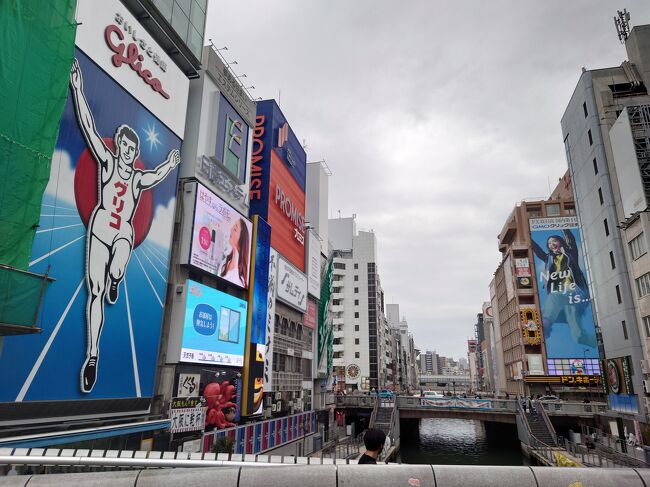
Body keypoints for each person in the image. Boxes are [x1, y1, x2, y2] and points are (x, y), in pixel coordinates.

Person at [70, 59, 180, 393]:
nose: (130, 152)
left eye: (134, 149)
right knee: (96, 293)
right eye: (126, 147)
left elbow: (156, 176)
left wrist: (170, 163)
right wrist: (78, 89)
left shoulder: (136, 177)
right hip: (100, 228)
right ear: (119, 147)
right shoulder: (106, 162)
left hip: (122, 233)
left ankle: (118, 276)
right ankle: (92, 355)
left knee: (122, 249)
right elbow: (88, 127)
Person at [531, 231, 593, 346]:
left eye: (554, 241)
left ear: (561, 242)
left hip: (576, 294)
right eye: (549, 243)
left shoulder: (571, 254)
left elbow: (571, 241)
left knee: (553, 297)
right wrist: (528, 238)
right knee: (578, 336)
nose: (552, 244)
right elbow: (538, 252)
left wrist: (565, 229)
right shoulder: (549, 259)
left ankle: (546, 323)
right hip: (566, 303)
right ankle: (595, 342)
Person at [219, 218, 250, 288]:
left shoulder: (239, 277)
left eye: (235, 229)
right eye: (233, 226)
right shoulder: (226, 261)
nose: (231, 230)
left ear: (241, 239)